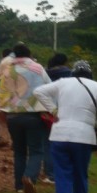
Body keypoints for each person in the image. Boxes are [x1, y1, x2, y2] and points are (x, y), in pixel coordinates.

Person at [33, 60, 97, 193]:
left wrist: (53, 110)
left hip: (59, 135)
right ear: (89, 74)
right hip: (84, 138)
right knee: (81, 177)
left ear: (73, 73)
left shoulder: (63, 83)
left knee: (63, 177)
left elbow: (39, 91)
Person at [0, 42, 51, 193]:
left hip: (13, 116)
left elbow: (1, 93)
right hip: (33, 115)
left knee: (19, 152)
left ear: (15, 55)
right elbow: (50, 88)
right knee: (36, 151)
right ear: (29, 55)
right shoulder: (38, 69)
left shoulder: (8, 70)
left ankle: (19, 186)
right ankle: (30, 177)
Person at [41, 53, 73, 183]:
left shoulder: (45, 73)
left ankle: (50, 174)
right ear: (65, 62)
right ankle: (64, 171)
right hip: (66, 111)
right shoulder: (70, 74)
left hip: (47, 111)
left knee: (47, 143)